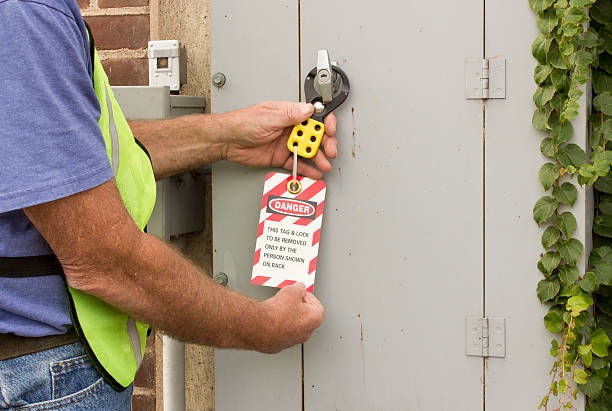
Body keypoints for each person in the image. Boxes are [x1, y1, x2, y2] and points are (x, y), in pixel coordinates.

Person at [0, 0, 337, 409]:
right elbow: (106, 262)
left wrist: (228, 137)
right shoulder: (24, 15)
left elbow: (78, 158)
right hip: (44, 380)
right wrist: (263, 327)